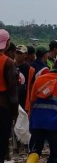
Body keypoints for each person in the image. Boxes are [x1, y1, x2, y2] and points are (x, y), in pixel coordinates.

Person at [0, 30, 18, 163]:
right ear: (6, 43)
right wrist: (15, 111)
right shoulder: (8, 62)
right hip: (3, 105)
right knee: (2, 138)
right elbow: (12, 90)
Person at [15, 45, 35, 111]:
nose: (18, 55)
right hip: (12, 100)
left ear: (26, 55)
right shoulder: (10, 66)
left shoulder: (30, 70)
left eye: (20, 53)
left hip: (24, 101)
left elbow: (32, 87)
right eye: (17, 53)